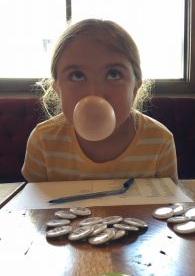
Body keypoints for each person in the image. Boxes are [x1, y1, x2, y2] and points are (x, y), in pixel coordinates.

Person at [22, 19, 178, 183]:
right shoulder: (43, 141)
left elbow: (169, 205)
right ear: (57, 89)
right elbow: (33, 205)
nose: (94, 94)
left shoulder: (159, 141)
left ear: (135, 88)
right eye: (77, 75)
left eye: (113, 74)